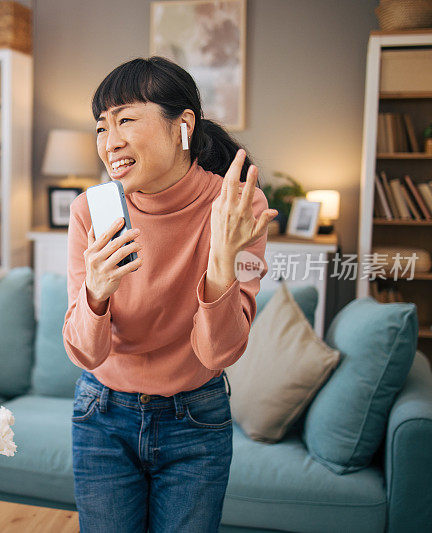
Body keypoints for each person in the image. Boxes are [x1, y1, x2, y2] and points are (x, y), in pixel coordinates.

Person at [62, 56, 278, 533]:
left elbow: (218, 351)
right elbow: (86, 354)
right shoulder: (90, 212)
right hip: (102, 415)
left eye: (126, 120)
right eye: (102, 126)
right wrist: (96, 293)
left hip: (195, 421)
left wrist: (222, 262)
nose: (110, 142)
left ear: (183, 124)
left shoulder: (237, 207)